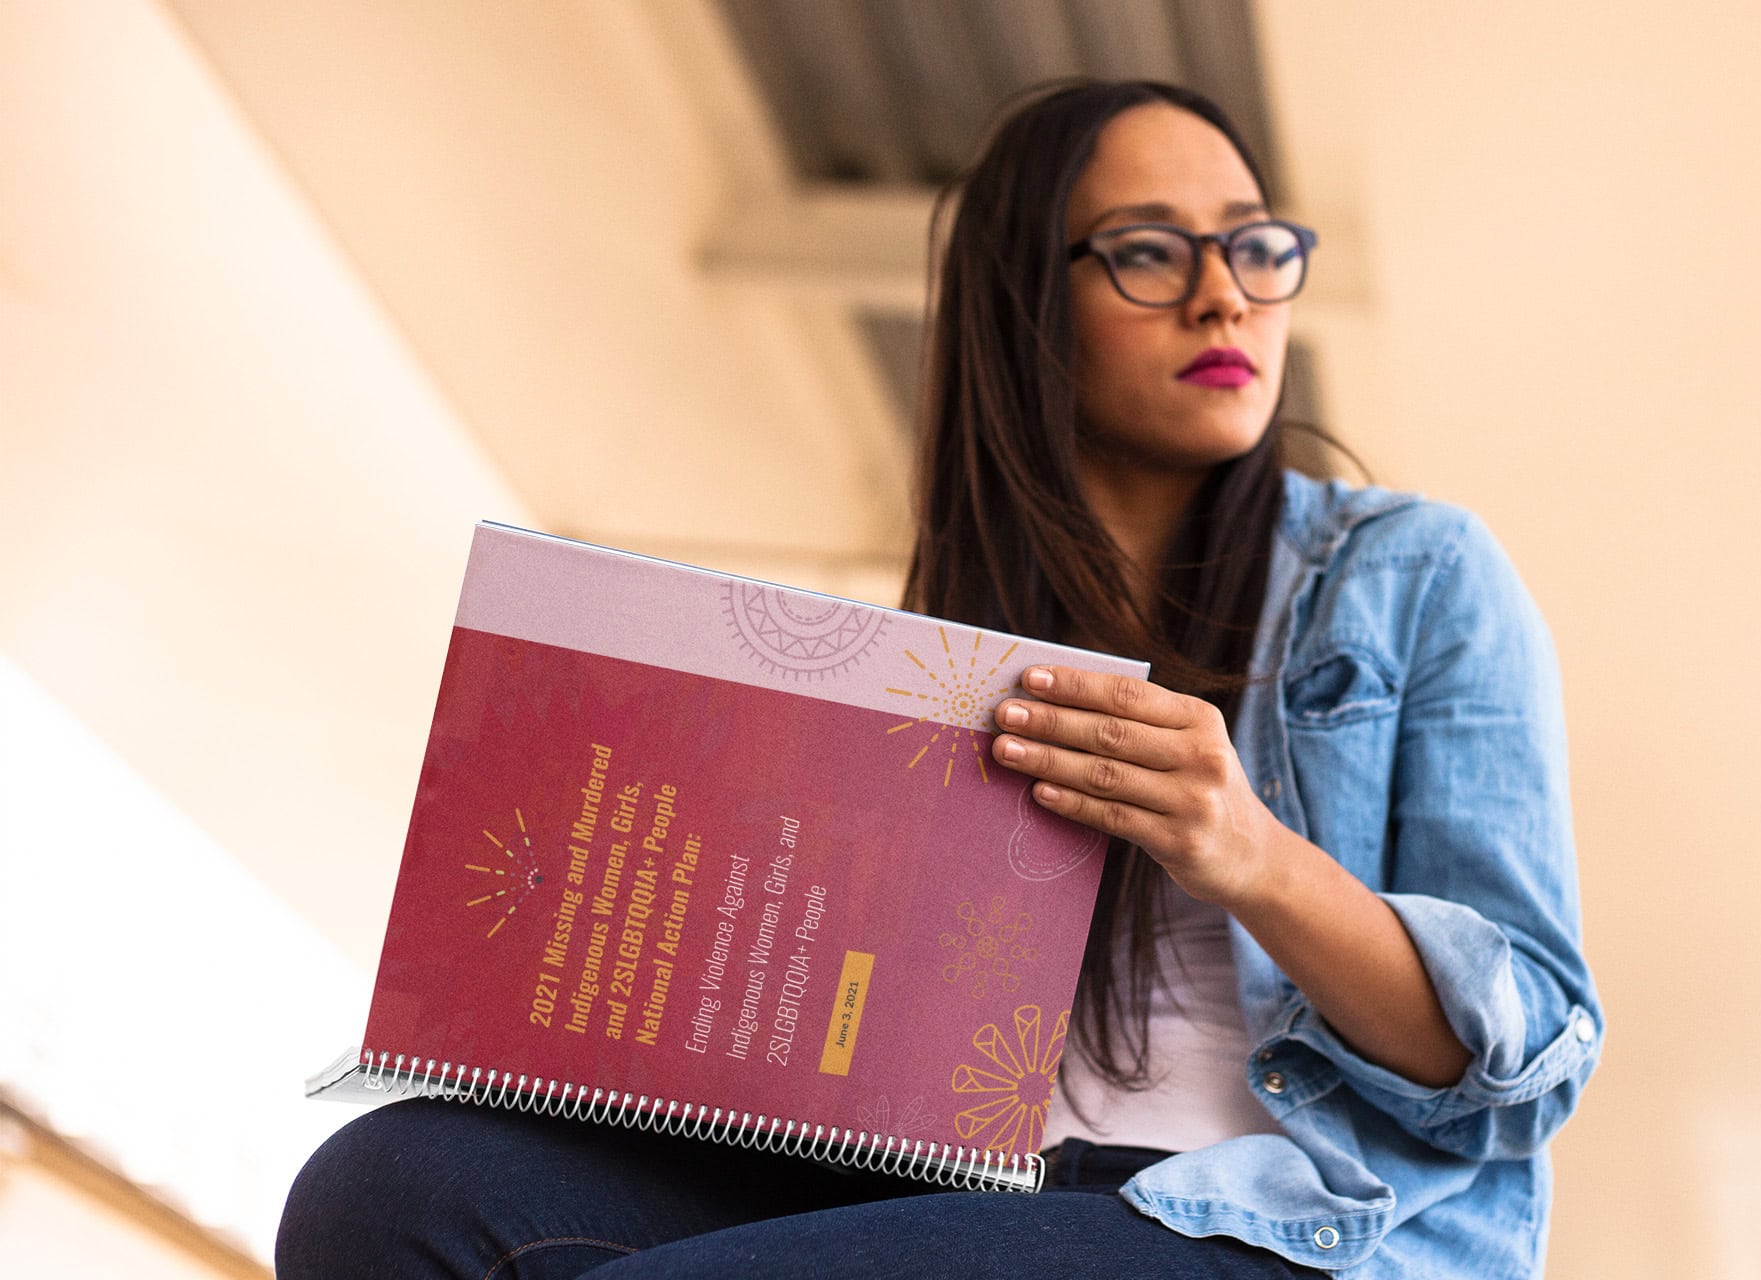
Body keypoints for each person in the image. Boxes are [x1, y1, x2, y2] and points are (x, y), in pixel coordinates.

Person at [277, 79, 1600, 1280]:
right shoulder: (949, 647)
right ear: (1026, 298)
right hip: (972, 1184)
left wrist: (1248, 852)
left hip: (1286, 1219)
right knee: (383, 1191)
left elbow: (1528, 1057)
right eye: (1149, 251)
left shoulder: (1414, 575)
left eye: (1256, 244)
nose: (1224, 294)